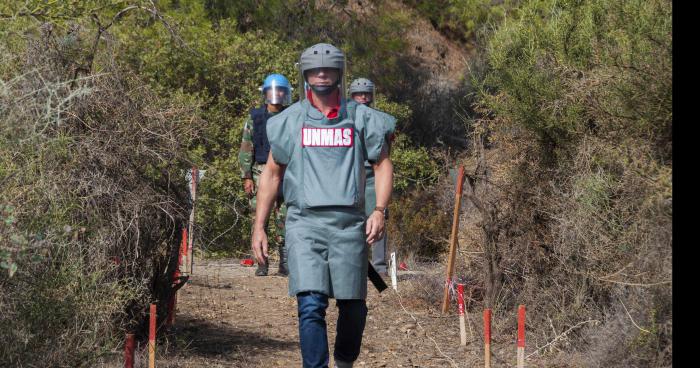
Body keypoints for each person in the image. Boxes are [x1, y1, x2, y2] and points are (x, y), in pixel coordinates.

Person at [251, 43, 395, 368]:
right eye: (315, 70)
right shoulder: (289, 121)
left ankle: (344, 362)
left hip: (349, 226)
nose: (321, 74)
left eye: (328, 69)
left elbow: (382, 165)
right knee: (310, 305)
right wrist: (258, 226)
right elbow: (272, 174)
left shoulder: (360, 118)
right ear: (304, 75)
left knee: (354, 307)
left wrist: (379, 210)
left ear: (339, 74)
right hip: (304, 224)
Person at [238, 73, 292, 276]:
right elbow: (246, 148)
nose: (276, 94)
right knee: (260, 218)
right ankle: (262, 262)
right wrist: (246, 176)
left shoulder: (291, 116)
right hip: (260, 172)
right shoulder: (254, 118)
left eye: (280, 90)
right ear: (266, 93)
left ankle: (285, 262)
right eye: (272, 90)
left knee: (285, 217)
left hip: (287, 173)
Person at [347, 78, 389, 277]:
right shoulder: (343, 117)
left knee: (377, 217)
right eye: (358, 93)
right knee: (351, 220)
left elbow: (385, 153)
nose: (362, 97)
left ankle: (379, 268)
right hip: (351, 175)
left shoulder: (382, 119)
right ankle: (357, 264)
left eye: (366, 93)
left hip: (373, 174)